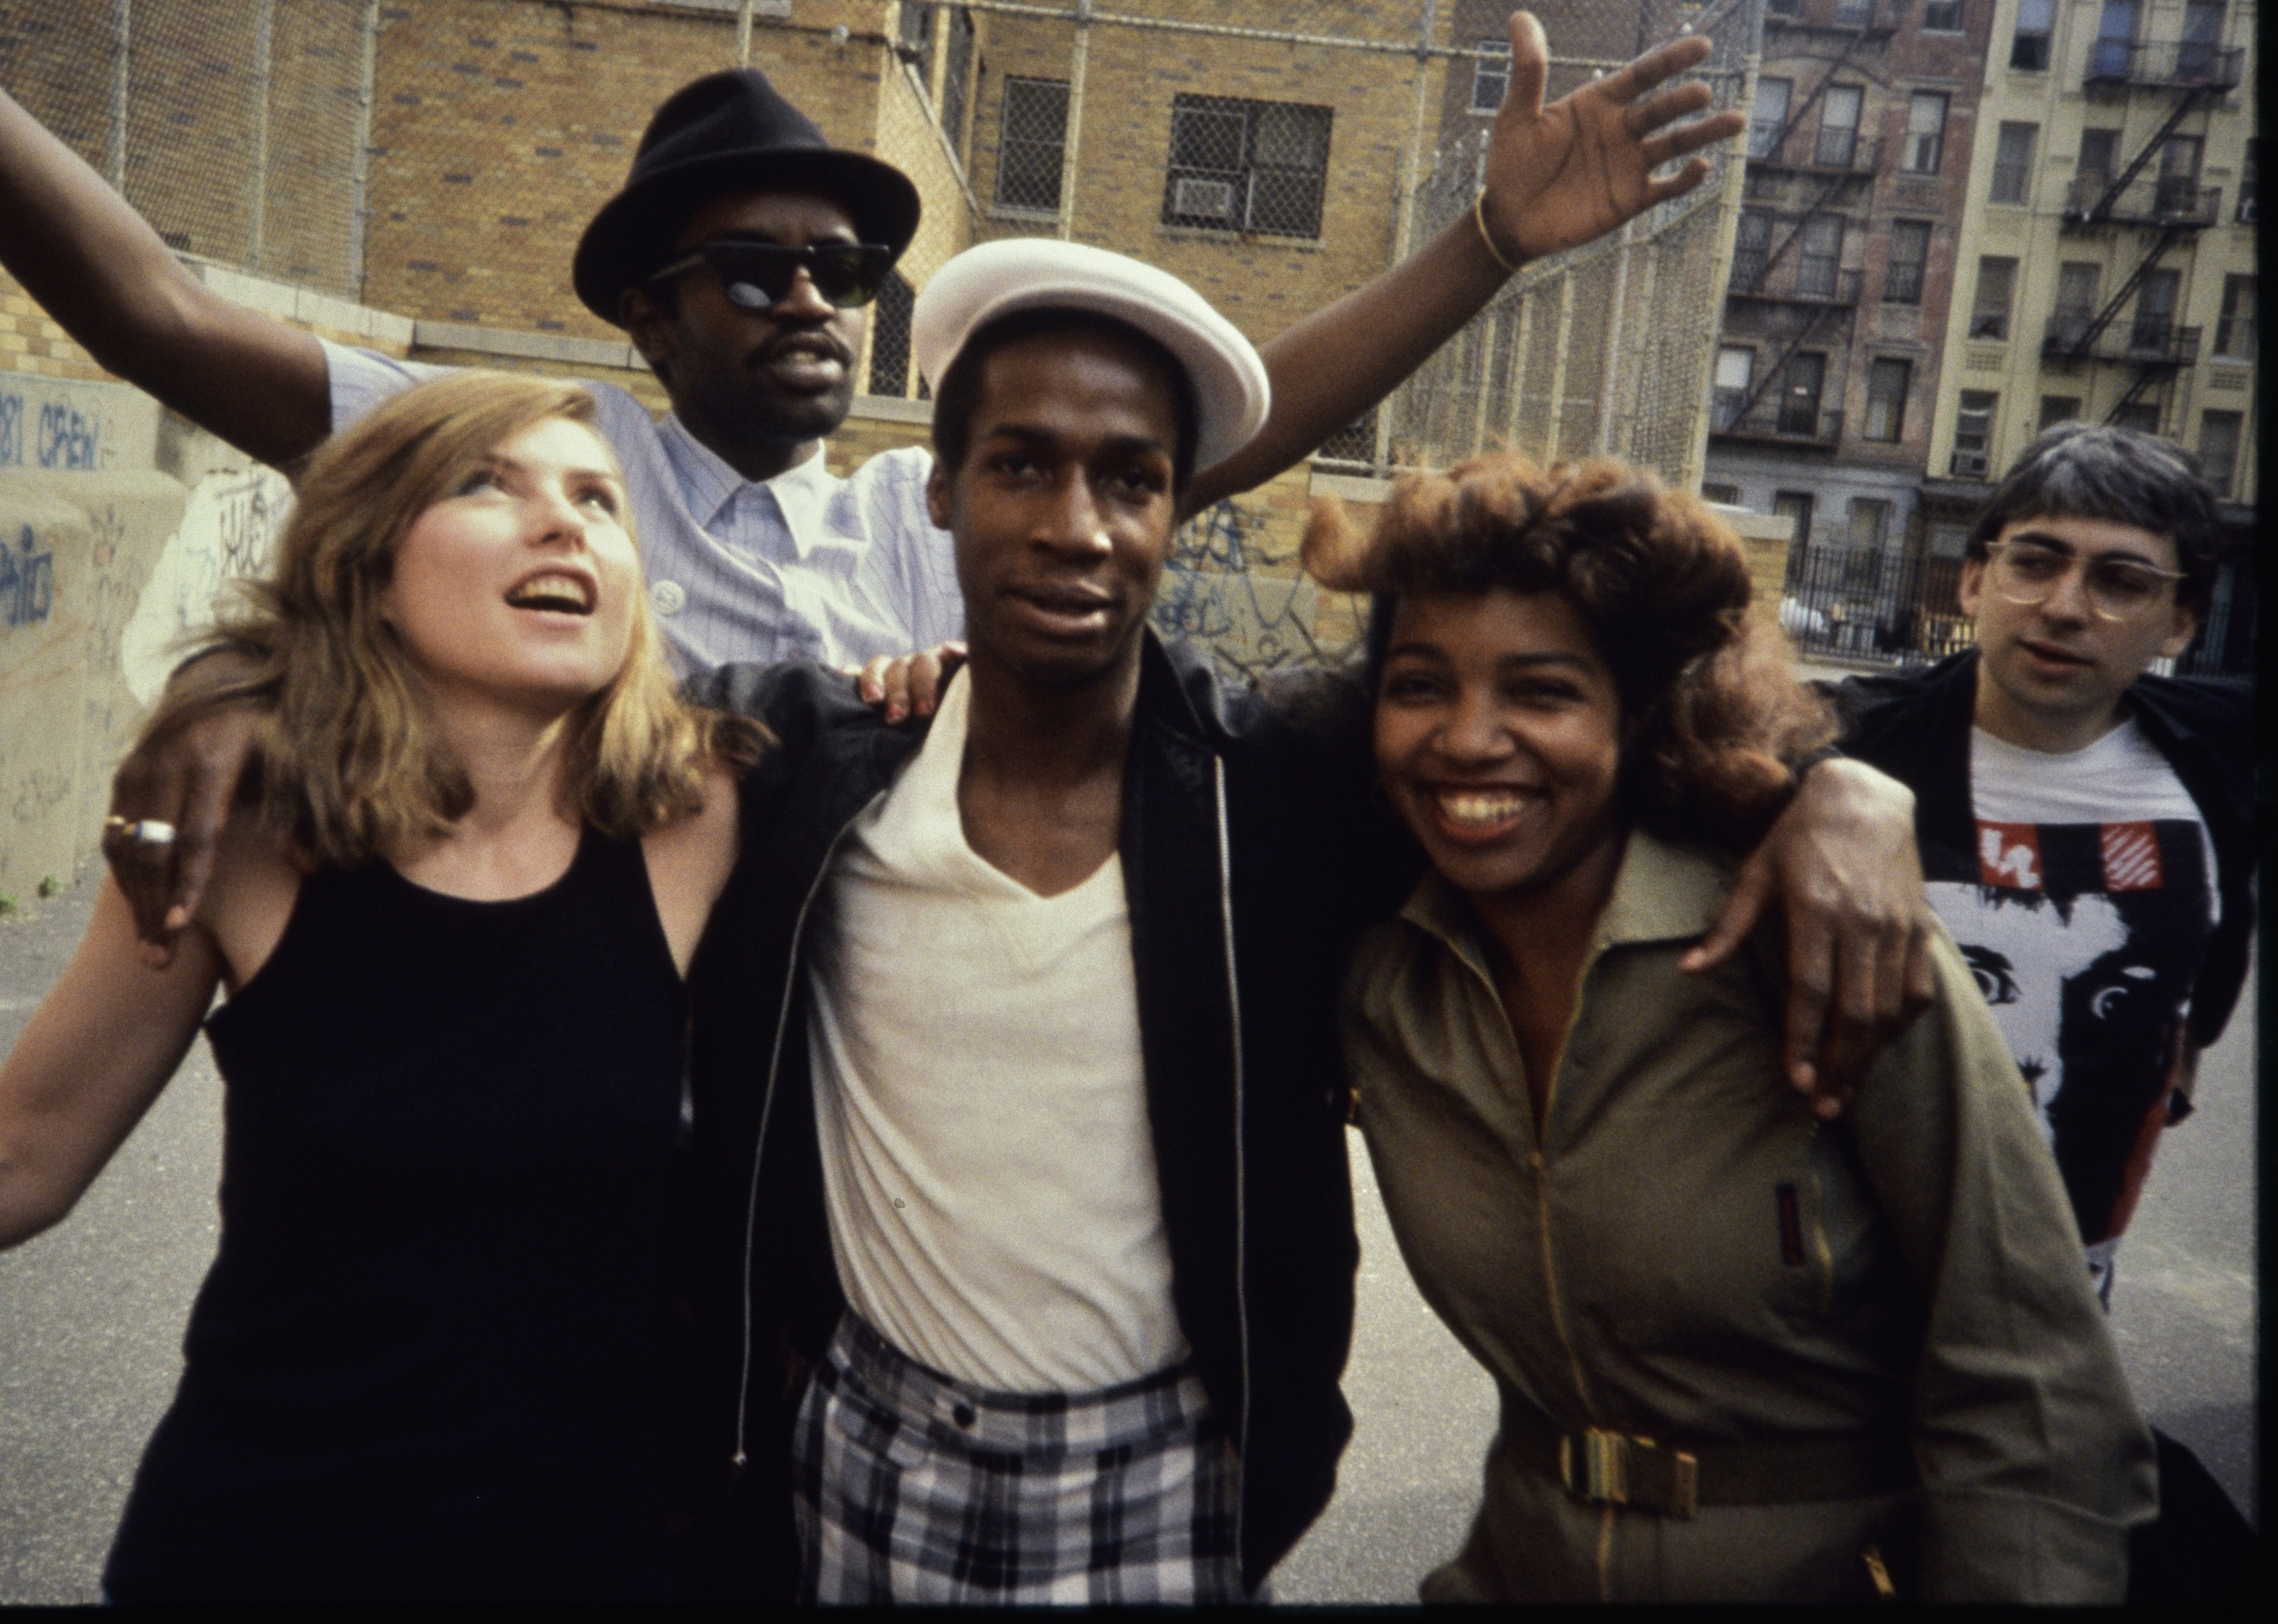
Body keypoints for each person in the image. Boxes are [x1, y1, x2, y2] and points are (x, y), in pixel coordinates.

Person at [0, 0, 1747, 944]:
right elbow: (153, 308)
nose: (814, 304)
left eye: (846, 274)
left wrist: (1487, 237)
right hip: (580, 1102)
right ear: (642, 308)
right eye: (759, 269)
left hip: (849, 1135)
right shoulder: (535, 483)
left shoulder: (918, 516)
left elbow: (1217, 431)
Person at [672, 241, 1940, 1602]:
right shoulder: (805, 767)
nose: (1076, 525)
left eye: (1132, 479)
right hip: (868, 1462)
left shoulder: (1265, 786)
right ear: (939, 484)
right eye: (1020, 464)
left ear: (1177, 508)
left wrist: (1841, 788)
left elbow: (1574, 743)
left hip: (1170, 1479)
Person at [0, 374, 762, 1603]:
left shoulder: (701, 819)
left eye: (598, 501)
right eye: (488, 484)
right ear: (366, 566)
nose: (565, 524)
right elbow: (6, 1157)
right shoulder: (250, 839)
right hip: (257, 1547)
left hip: (586, 1562)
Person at [1302, 453, 2156, 1601]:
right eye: (1420, 685)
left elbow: (2036, 1388)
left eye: (1541, 690)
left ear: (1638, 708)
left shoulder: (1822, 938)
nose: (1468, 738)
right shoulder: (1384, 973)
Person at [1820, 423, 2257, 1598]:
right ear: (1974, 579)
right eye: (2034, 560)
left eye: (2121, 580)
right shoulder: (1846, 752)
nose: (2065, 604)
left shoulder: (2214, 773)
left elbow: (2195, 994)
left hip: (2061, 1315)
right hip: (1834, 1319)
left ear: (2178, 624)